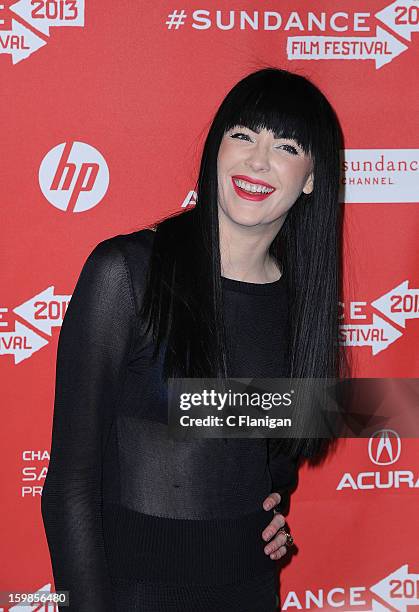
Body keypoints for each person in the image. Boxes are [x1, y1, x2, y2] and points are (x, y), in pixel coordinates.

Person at [41, 67, 350, 611]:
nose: (258, 160)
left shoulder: (303, 306)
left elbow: (272, 461)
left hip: (249, 592)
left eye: (285, 145)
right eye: (243, 135)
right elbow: (69, 486)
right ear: (216, 148)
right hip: (133, 597)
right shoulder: (127, 273)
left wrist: (268, 514)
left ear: (311, 178)